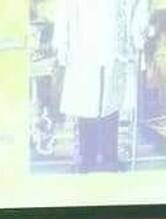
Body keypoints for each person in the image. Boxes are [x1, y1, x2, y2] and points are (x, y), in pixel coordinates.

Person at [54, 0, 151, 172]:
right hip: (83, 45)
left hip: (114, 46)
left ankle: (109, 157)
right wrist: (62, 42)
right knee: (86, 103)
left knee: (111, 102)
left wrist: (138, 30)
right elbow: (64, 9)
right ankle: (87, 157)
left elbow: (139, 4)